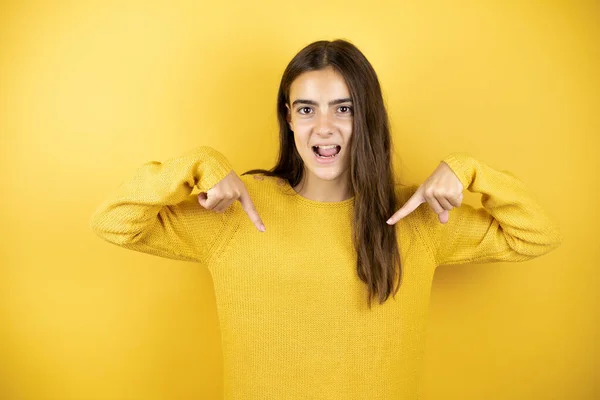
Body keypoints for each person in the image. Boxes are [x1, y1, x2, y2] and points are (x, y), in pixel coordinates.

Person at [89, 39, 563, 399]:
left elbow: (536, 235)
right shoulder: (237, 211)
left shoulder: (415, 216)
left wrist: (469, 170)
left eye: (344, 108)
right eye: (306, 109)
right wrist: (197, 164)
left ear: (367, 118)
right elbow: (114, 221)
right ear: (289, 120)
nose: (324, 127)